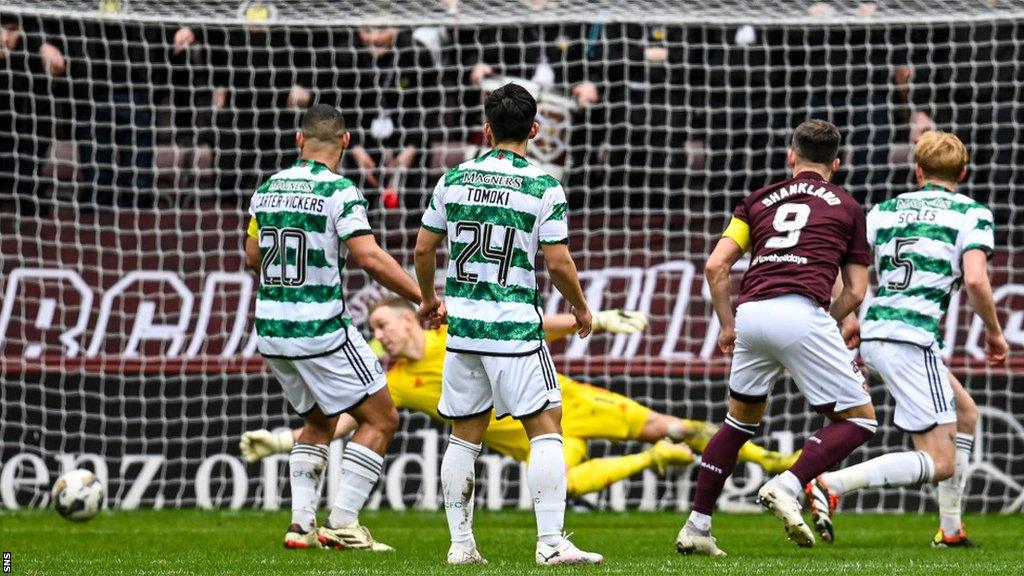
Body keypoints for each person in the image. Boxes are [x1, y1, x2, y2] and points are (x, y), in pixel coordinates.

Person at [239, 298, 801, 492]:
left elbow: (528, 327)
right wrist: (285, 439)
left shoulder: (449, 330)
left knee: (675, 425)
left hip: (566, 403)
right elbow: (347, 421)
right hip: (533, 445)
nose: (380, 336)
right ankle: (653, 462)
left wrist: (596, 320)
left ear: (409, 322)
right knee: (573, 483)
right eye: (376, 331)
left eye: (384, 326)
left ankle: (774, 460)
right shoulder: (395, 383)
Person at [414, 83, 603, 565]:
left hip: (464, 328)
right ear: (534, 130)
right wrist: (581, 308)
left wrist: (431, 299)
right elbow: (558, 264)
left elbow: (422, 249)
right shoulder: (543, 186)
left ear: (486, 129)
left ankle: (460, 545)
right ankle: (550, 542)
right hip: (514, 326)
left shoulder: (453, 179)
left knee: (464, 432)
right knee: (545, 426)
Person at [677, 120, 877, 557]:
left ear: (792, 157)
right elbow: (857, 291)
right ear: (836, 164)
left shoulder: (757, 200)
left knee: (738, 421)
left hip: (751, 313)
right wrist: (825, 323)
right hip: (802, 310)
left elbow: (715, 267)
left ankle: (697, 525)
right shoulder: (847, 206)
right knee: (860, 419)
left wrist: (728, 326)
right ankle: (788, 485)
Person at [806, 131, 1008, 548]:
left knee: (966, 414)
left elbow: (849, 261)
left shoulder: (884, 210)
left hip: (879, 331)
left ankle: (951, 530)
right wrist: (993, 331)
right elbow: (974, 278)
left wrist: (852, 315)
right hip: (910, 339)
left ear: (917, 170)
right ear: (964, 172)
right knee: (942, 461)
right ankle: (831, 483)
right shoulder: (972, 213)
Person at [244, 104, 421, 551]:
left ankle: (301, 524)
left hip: (271, 330)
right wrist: (423, 296)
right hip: (320, 328)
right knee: (381, 418)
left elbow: (251, 259)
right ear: (345, 142)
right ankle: (342, 521)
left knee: (318, 421)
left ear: (298, 141)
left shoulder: (266, 190)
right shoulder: (340, 192)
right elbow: (369, 257)